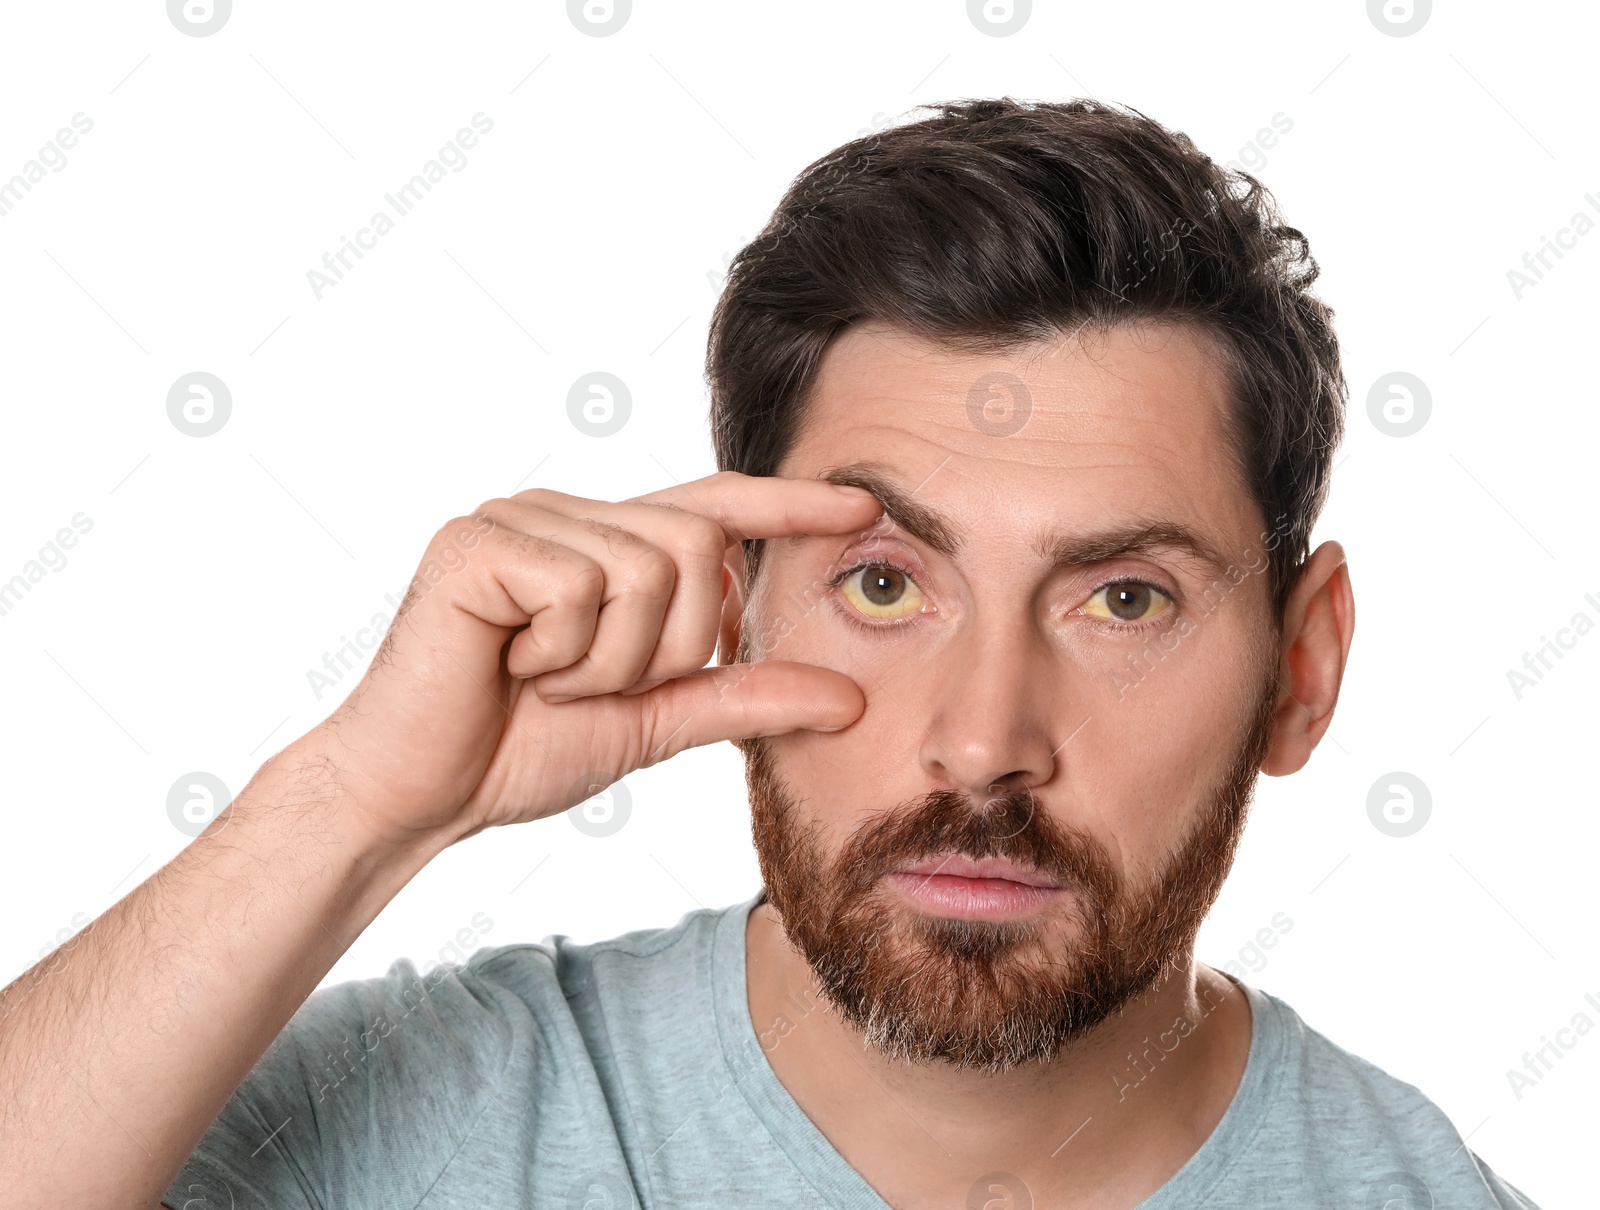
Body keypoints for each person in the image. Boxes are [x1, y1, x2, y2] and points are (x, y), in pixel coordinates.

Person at [1, 97, 1538, 1210]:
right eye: (883, 581)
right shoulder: (428, 1121)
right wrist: (349, 803)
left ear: (1303, 666)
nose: (983, 735)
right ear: (736, 599)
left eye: (1121, 599)